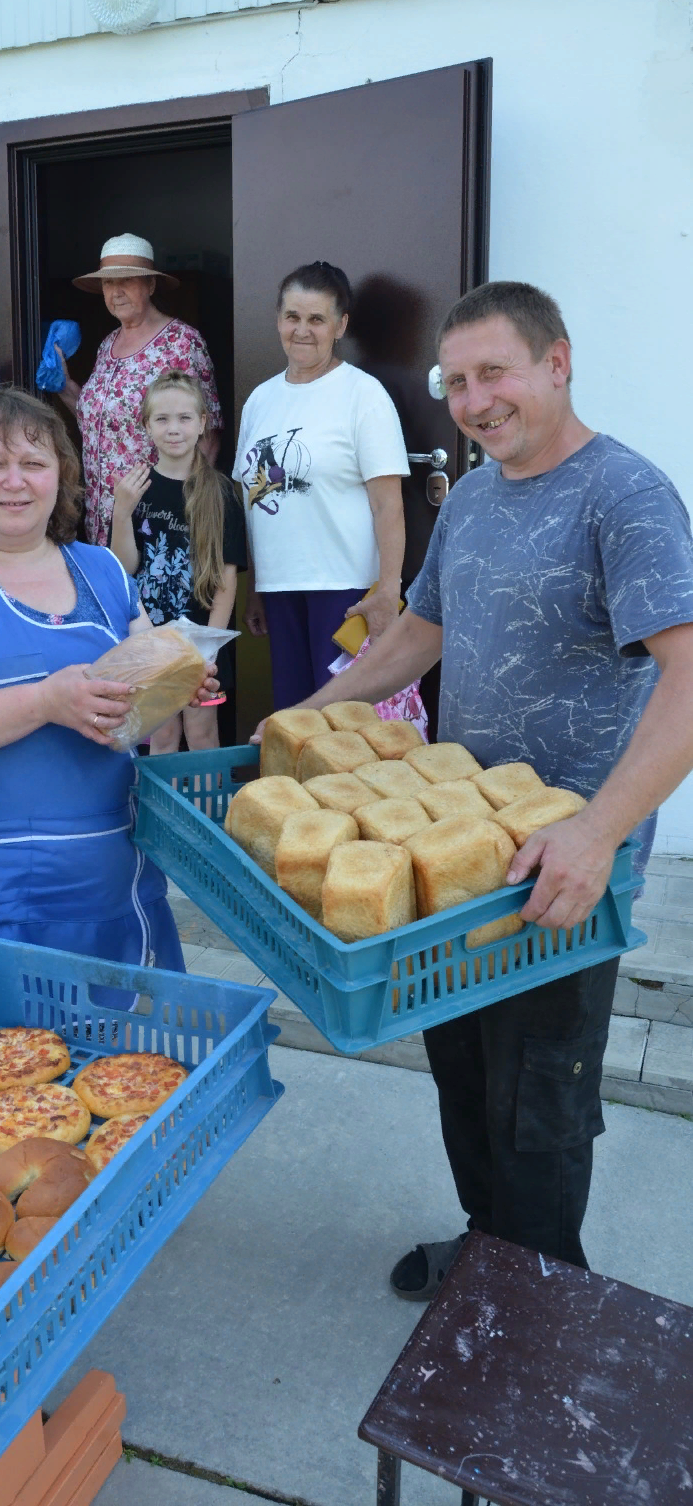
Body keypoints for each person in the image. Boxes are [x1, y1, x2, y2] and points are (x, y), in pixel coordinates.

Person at [256, 281, 693, 1291]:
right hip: (457, 854)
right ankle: (491, 1250)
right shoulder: (476, 496)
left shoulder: (624, 495)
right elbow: (417, 633)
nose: (475, 399)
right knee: (465, 1067)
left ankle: (542, 1298)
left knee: (540, 1095)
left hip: (562, 872)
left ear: (558, 361)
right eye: (456, 382)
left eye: (494, 372)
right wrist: (311, 713)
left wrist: (598, 833)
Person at [0, 386, 212, 983]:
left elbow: (133, 711)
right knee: (7, 1062)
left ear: (61, 476)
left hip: (110, 874)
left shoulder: (102, 568)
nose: (15, 481)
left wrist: (176, 683)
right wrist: (45, 701)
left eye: (33, 462)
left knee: (122, 1065)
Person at [234, 261, 410, 712]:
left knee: (341, 721)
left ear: (340, 325)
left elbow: (387, 505)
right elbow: (254, 498)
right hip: (280, 587)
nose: (302, 330)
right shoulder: (260, 400)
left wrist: (388, 591)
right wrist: (257, 584)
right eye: (292, 317)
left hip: (345, 587)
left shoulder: (363, 395)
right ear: (278, 320)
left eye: (317, 319)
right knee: (292, 715)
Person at [110, 372, 246, 753]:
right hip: (152, 638)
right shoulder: (136, 488)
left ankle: (206, 812)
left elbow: (226, 579)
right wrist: (122, 512)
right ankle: (161, 814)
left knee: (203, 734)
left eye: (185, 418)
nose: (174, 429)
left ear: (202, 422)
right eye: (162, 419)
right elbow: (125, 568)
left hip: (202, 643)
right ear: (146, 425)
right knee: (163, 736)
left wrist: (208, 648)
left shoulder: (219, 492)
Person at [56, 234, 223, 546]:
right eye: (108, 284)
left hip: (156, 515)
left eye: (127, 280)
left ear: (150, 285)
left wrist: (183, 509)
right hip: (101, 514)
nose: (115, 292)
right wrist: (65, 386)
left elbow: (208, 434)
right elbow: (99, 420)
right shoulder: (108, 344)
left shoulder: (182, 342)